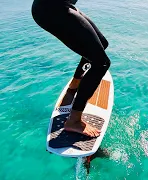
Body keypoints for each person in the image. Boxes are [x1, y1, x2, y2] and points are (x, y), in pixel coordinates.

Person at [31, 0, 111, 137]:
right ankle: (74, 120)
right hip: (51, 10)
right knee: (101, 63)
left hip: (62, 6)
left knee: (102, 44)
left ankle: (75, 84)